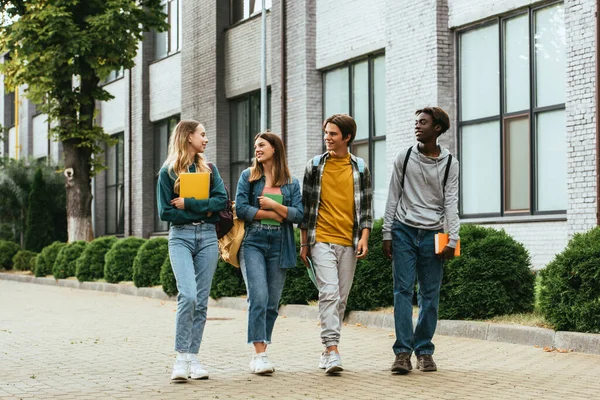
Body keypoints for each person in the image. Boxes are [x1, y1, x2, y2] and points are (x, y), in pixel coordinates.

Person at [383, 107, 459, 374]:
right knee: (402, 292)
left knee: (430, 294)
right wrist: (387, 232)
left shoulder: (450, 163)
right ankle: (402, 353)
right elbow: (393, 196)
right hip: (403, 230)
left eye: (423, 122)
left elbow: (451, 203)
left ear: (437, 128)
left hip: (434, 233)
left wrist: (453, 238)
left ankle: (424, 350)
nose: (417, 126)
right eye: (416, 122)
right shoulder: (404, 157)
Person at [299, 113, 373, 375]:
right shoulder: (314, 166)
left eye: (332, 134)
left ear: (347, 137)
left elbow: (365, 207)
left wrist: (364, 237)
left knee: (340, 299)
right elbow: (306, 208)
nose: (327, 138)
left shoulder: (360, 167)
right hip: (321, 239)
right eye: (326, 133)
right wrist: (304, 243)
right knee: (328, 293)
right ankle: (332, 349)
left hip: (349, 241)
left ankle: (327, 349)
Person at [156, 120, 228, 381]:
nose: (206, 139)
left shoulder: (209, 169)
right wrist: (203, 209)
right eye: (202, 134)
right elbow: (165, 211)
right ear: (188, 137)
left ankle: (193, 358)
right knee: (188, 295)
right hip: (181, 238)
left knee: (202, 299)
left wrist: (188, 203)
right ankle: (181, 357)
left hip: (208, 238)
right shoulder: (168, 172)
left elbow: (221, 201)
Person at [235, 132, 304, 375]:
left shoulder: (291, 182)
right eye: (255, 146)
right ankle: (259, 354)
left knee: (272, 303)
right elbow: (241, 208)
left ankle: (263, 349)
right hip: (253, 240)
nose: (257, 149)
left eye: (262, 145)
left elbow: (299, 214)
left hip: (280, 244)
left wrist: (276, 206)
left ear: (275, 148)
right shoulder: (248, 177)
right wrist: (273, 215)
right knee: (259, 296)